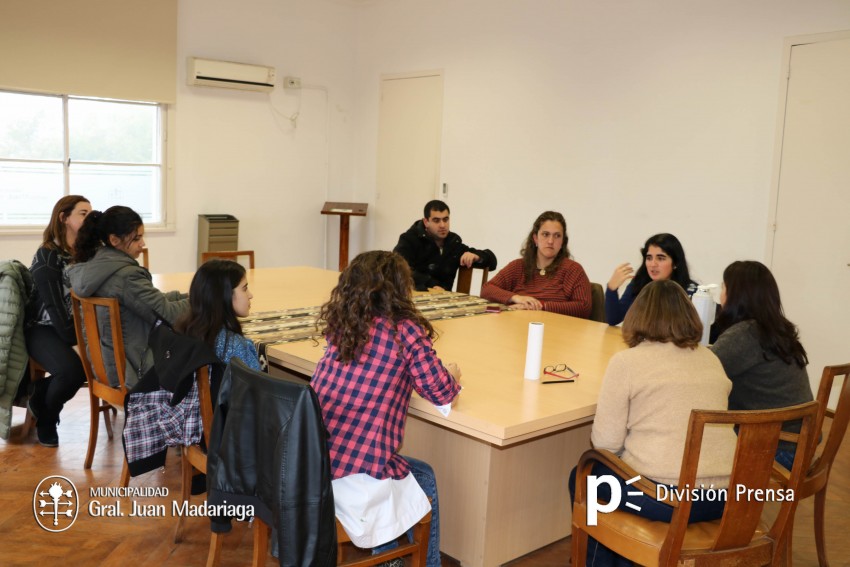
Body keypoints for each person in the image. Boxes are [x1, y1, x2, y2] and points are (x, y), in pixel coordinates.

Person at [569, 280, 737, 567]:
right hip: (727, 496)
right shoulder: (711, 359)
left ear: (638, 316)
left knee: (584, 476)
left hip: (667, 499)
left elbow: (606, 444)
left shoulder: (627, 362)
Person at [310, 251, 461, 567]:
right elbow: (441, 392)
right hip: (354, 475)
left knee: (418, 472)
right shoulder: (403, 330)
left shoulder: (342, 325)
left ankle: (388, 555)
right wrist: (453, 376)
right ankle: (412, 560)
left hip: (316, 460)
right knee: (423, 475)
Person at [67, 205, 188, 388]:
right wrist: (205, 300)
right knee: (211, 351)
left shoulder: (96, 268)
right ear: (114, 240)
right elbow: (168, 314)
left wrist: (186, 296)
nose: (143, 243)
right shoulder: (126, 276)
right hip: (133, 371)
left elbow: (151, 301)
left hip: (107, 367)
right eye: (137, 238)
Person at [710, 260, 813, 470]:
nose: (720, 294)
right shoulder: (776, 329)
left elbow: (702, 372)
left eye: (723, 287)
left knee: (700, 434)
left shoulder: (745, 334)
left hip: (777, 448)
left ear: (735, 295)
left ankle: (701, 500)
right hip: (800, 443)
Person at [24, 195, 92, 447]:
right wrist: (76, 344)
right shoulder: (47, 256)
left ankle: (39, 392)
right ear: (64, 218)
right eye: (83, 213)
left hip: (74, 327)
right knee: (72, 372)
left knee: (100, 366)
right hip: (42, 328)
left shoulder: (86, 254)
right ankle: (47, 419)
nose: (90, 218)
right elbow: (53, 307)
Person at [480, 211, 591, 317]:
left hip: (557, 330)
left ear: (562, 242)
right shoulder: (518, 267)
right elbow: (486, 290)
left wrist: (539, 306)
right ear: (535, 238)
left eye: (557, 236)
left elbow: (583, 307)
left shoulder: (573, 270)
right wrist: (516, 298)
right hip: (518, 328)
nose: (551, 241)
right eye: (545, 234)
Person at [175, 258, 260, 371]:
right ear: (224, 295)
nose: (250, 295)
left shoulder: (187, 329)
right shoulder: (235, 346)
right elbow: (255, 386)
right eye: (244, 289)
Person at [393, 199, 497, 292]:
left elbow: (492, 262)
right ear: (426, 222)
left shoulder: (453, 242)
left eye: (445, 219)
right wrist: (431, 285)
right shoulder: (409, 239)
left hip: (445, 300)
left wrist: (477, 257)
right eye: (436, 220)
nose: (442, 225)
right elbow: (397, 268)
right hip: (414, 297)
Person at [604, 233, 698, 326]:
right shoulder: (639, 282)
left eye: (660, 258)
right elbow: (613, 319)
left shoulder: (691, 291)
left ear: (675, 263)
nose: (653, 264)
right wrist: (612, 289)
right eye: (649, 258)